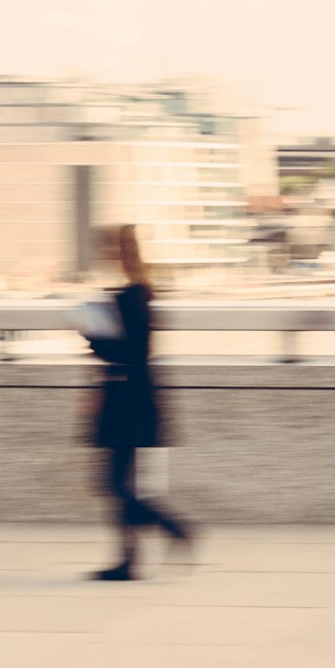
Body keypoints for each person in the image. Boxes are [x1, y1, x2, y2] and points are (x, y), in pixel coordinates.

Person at [80, 224, 192, 581]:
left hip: (126, 400)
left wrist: (93, 339)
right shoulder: (139, 293)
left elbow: (130, 352)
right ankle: (131, 557)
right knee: (118, 482)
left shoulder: (131, 297)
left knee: (113, 483)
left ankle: (171, 529)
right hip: (133, 397)